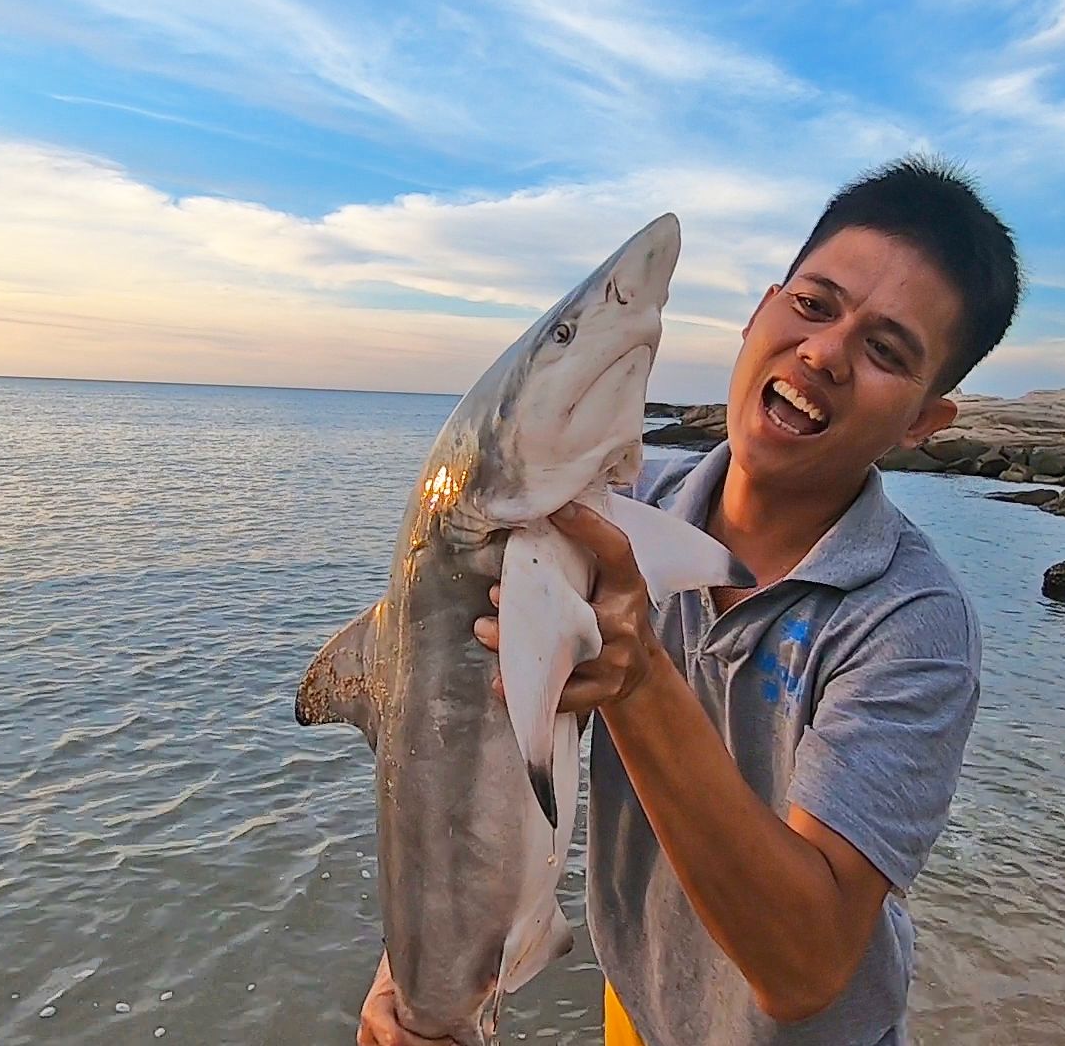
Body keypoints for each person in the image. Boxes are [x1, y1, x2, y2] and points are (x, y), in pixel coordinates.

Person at [359, 155, 1021, 1045]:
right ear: (760, 311)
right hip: (637, 1009)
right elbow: (455, 736)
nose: (824, 353)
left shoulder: (910, 622)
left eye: (886, 350)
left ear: (921, 424)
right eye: (814, 306)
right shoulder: (617, 514)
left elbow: (806, 968)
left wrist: (638, 684)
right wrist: (417, 969)